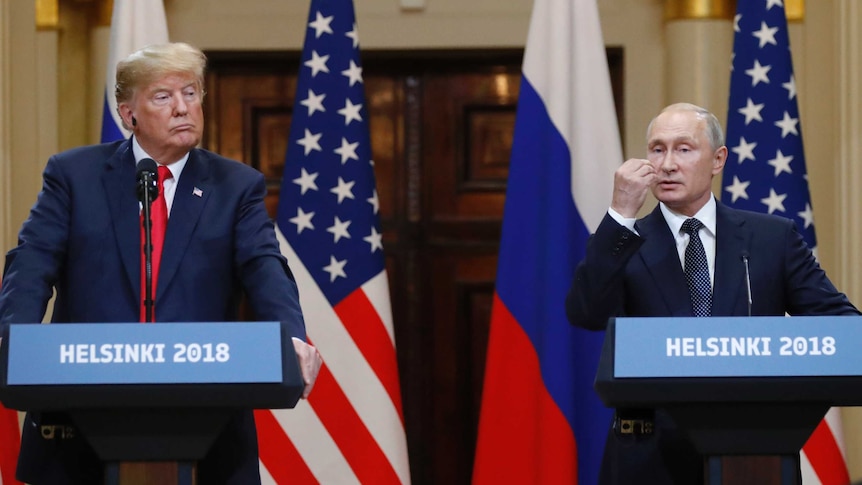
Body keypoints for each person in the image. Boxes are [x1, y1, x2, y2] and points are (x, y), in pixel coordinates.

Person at [0, 42, 322, 484]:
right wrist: (13, 340)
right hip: (81, 415)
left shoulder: (235, 186)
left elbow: (265, 267)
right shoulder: (74, 176)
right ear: (128, 113)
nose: (182, 108)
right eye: (163, 97)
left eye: (191, 93)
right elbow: (33, 261)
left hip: (205, 422)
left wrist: (292, 337)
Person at [565, 102, 859, 484]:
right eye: (657, 149)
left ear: (718, 160)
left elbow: (844, 327)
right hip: (649, 459)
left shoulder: (772, 239)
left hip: (754, 451)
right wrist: (620, 214)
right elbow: (585, 312)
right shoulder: (622, 242)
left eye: (684, 149)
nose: (667, 164)